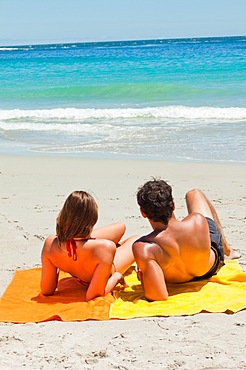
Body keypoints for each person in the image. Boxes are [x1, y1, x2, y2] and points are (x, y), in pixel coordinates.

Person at [132, 179, 240, 301]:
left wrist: (144, 276)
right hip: (209, 269)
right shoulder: (197, 220)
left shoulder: (143, 248)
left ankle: (227, 250)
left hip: (174, 281)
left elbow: (157, 296)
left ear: (143, 213)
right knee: (194, 194)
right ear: (173, 205)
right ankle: (227, 250)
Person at [41, 191, 137, 301]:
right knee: (135, 240)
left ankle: (80, 238)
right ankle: (90, 245)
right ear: (92, 221)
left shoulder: (50, 243)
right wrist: (116, 277)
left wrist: (59, 261)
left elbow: (47, 290)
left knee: (120, 227)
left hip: (76, 250)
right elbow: (93, 295)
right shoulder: (106, 247)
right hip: (98, 272)